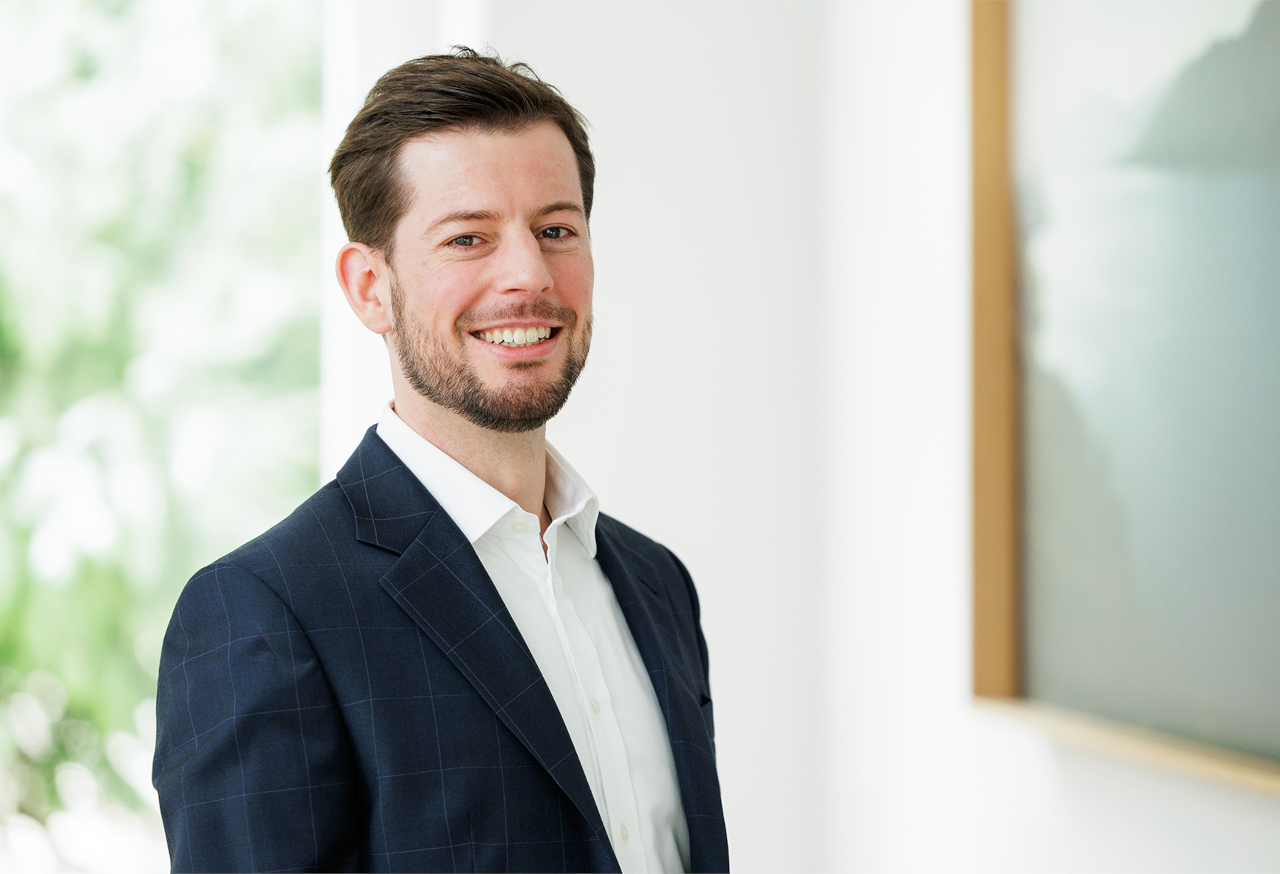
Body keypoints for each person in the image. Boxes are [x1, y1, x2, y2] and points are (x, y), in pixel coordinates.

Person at [151, 49, 728, 874]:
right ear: (369, 287)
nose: (528, 274)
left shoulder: (657, 584)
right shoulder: (264, 616)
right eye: (467, 238)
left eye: (556, 230)